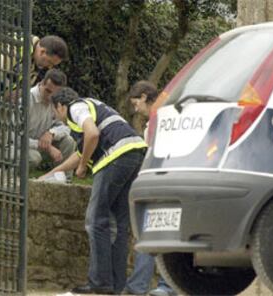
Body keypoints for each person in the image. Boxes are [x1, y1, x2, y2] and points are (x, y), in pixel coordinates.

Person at [39, 87, 147, 294]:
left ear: (61, 105)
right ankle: (116, 285)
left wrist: (83, 166)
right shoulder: (94, 107)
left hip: (115, 157)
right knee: (118, 223)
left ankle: (99, 283)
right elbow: (80, 153)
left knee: (95, 220)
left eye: (55, 112)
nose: (57, 117)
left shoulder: (76, 107)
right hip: (134, 154)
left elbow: (92, 134)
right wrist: (52, 173)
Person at [124, 81, 176, 296]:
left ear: (145, 97)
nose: (136, 109)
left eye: (137, 103)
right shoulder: (167, 116)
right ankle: (162, 286)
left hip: (161, 180)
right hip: (166, 179)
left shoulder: (160, 120)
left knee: (150, 234)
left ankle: (144, 286)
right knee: (164, 234)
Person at [28, 69, 75, 178]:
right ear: (42, 83)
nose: (50, 97)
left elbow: (66, 126)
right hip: (23, 146)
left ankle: (64, 182)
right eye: (48, 91)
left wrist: (51, 133)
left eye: (54, 94)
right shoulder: (26, 99)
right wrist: (47, 147)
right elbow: (14, 137)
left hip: (43, 146)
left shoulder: (56, 101)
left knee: (69, 141)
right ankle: (13, 183)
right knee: (34, 157)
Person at [0, 34, 69, 99]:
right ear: (42, 52)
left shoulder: (36, 61)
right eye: (50, 62)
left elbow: (19, 91)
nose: (50, 67)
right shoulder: (20, 45)